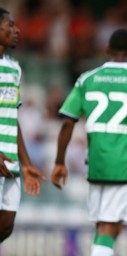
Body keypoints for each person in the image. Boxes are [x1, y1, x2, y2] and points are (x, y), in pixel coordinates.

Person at [50, 28, 127, 256]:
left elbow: (68, 122)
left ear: (107, 50)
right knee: (111, 228)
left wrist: (59, 162)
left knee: (102, 226)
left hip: (96, 163)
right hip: (125, 164)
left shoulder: (86, 79)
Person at [0, 7, 44, 243]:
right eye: (10, 25)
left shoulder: (14, 69)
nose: (16, 30)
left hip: (9, 159)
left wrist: (26, 163)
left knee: (6, 225)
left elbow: (11, 117)